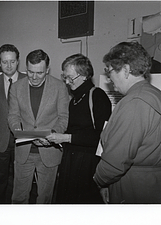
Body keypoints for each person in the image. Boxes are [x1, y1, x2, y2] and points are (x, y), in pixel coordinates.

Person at [93, 41, 161, 204]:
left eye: (110, 71)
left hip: (133, 188)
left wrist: (99, 180)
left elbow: (115, 161)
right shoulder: (155, 94)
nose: (109, 79)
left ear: (126, 69)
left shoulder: (134, 102)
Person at [46, 54, 112, 203]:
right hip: (71, 161)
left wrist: (66, 138)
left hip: (88, 164)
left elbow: (102, 137)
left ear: (84, 76)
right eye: (65, 77)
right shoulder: (74, 99)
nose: (67, 82)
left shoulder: (98, 96)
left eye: (70, 78)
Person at [8, 49, 69, 204]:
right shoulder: (16, 87)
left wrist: (53, 135)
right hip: (24, 151)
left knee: (44, 199)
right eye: (30, 72)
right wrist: (20, 132)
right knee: (19, 197)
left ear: (47, 70)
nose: (34, 77)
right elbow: (13, 116)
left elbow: (63, 118)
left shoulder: (59, 87)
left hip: (49, 152)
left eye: (40, 73)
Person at [0, 44, 26, 203]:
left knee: (21, 178)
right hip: (0, 140)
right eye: (4, 62)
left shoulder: (28, 80)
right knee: (0, 180)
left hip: (22, 139)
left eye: (12, 61)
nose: (8, 65)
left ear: (18, 62)